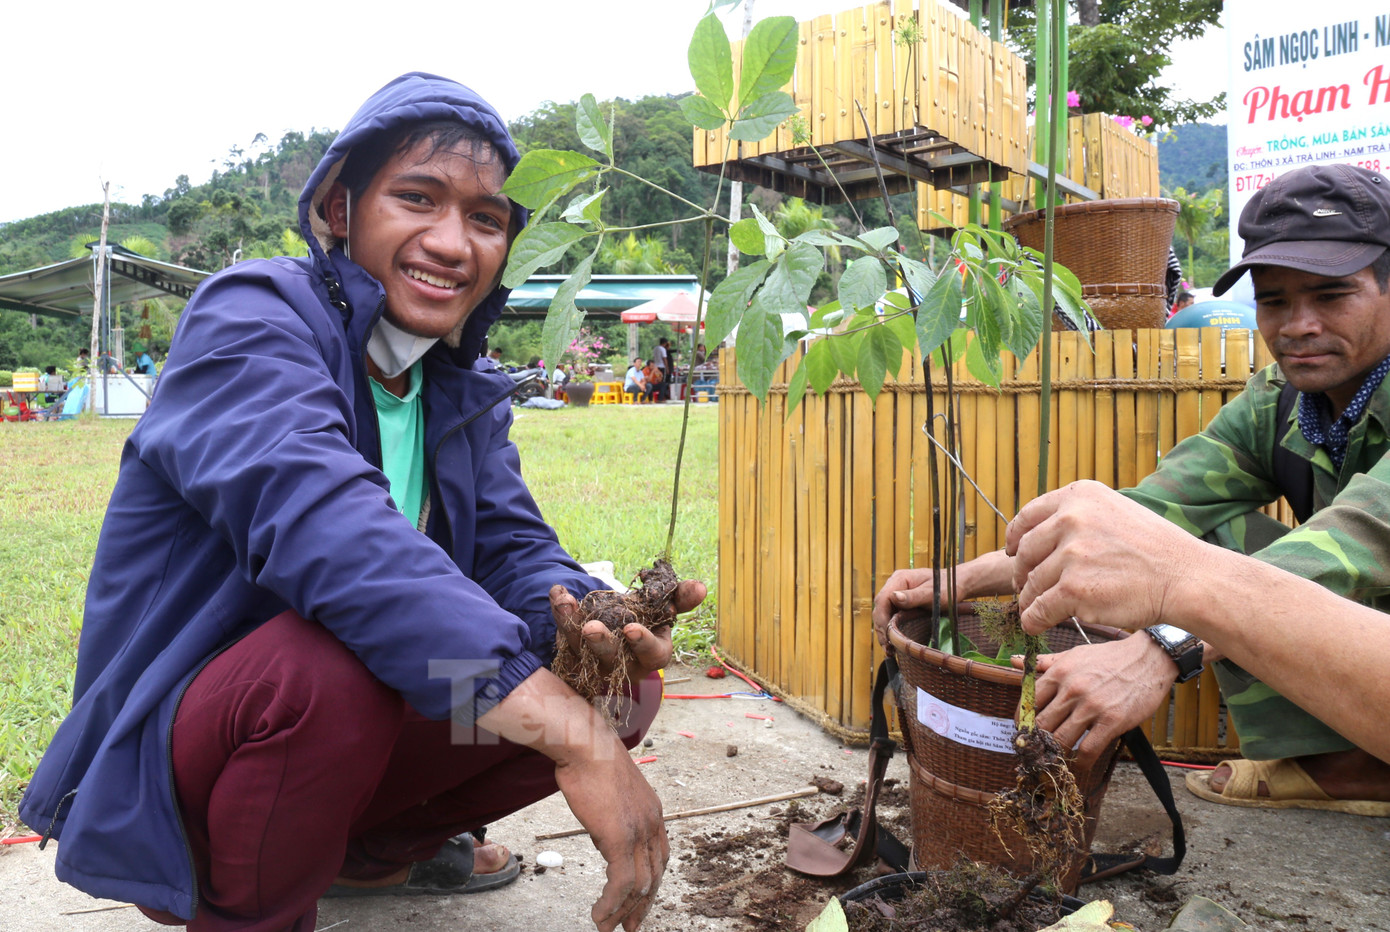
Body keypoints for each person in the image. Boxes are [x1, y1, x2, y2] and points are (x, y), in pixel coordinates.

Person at [20, 73, 704, 932]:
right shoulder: (253, 318)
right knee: (332, 669)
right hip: (195, 744)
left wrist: (595, 620)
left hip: (328, 728)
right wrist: (571, 736)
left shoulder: (454, 388)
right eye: (417, 199)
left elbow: (511, 548)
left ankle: (370, 855)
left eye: (485, 219)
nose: (451, 243)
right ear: (340, 210)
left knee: (611, 686)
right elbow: (331, 533)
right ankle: (243, 904)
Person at [874, 163, 1390, 814]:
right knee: (1204, 537)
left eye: (1332, 295)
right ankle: (1344, 762)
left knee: (1233, 568)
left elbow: (1348, 546)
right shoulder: (1283, 401)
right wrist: (963, 579)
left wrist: (1161, 650)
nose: (1299, 325)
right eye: (1275, 300)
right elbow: (1154, 512)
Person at [1005, 481, 1390, 770]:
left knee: (1223, 536)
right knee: (1214, 521)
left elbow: (1344, 541)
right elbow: (1161, 502)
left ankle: (1351, 766)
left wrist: (1163, 641)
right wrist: (972, 576)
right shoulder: (1280, 407)